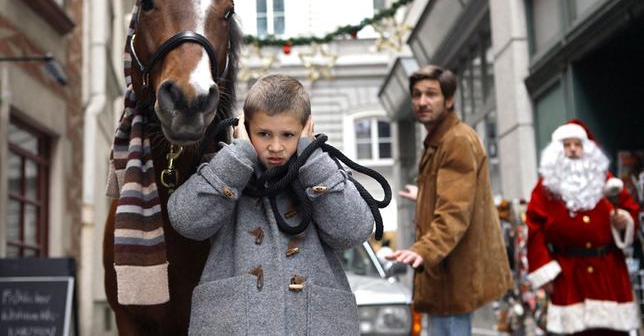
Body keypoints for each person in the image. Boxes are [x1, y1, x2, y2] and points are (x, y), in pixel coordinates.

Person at [168, 74, 374, 335]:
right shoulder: (225, 168)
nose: (275, 146)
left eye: (288, 135)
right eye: (263, 134)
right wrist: (237, 158)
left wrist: (313, 162)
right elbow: (185, 220)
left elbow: (354, 231)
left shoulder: (321, 171)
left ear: (307, 129)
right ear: (244, 127)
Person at [386, 65, 513, 335]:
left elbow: (454, 213)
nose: (422, 101)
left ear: (449, 99)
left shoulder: (456, 141)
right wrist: (425, 198)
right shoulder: (441, 140)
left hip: (451, 281)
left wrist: (423, 249)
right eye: (417, 94)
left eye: (431, 94)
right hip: (446, 279)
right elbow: (458, 196)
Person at [526, 120, 641, 335]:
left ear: (586, 149)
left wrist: (624, 221)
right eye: (566, 145)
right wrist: (546, 274)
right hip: (569, 275)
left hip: (609, 272)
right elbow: (534, 231)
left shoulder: (606, 180)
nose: (572, 149)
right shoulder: (545, 190)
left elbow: (631, 210)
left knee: (612, 331)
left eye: (577, 144)